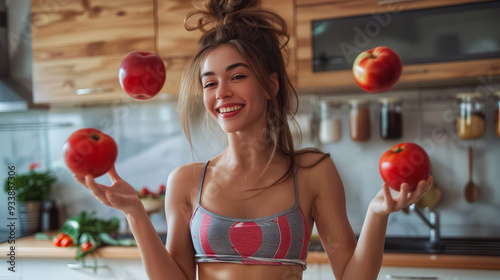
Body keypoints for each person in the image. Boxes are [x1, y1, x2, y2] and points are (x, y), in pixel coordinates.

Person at [75, 0, 433, 279]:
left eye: (238, 76)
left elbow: (353, 278)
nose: (222, 93)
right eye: (210, 82)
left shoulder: (312, 172)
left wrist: (377, 214)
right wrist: (136, 214)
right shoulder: (185, 181)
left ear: (271, 85)